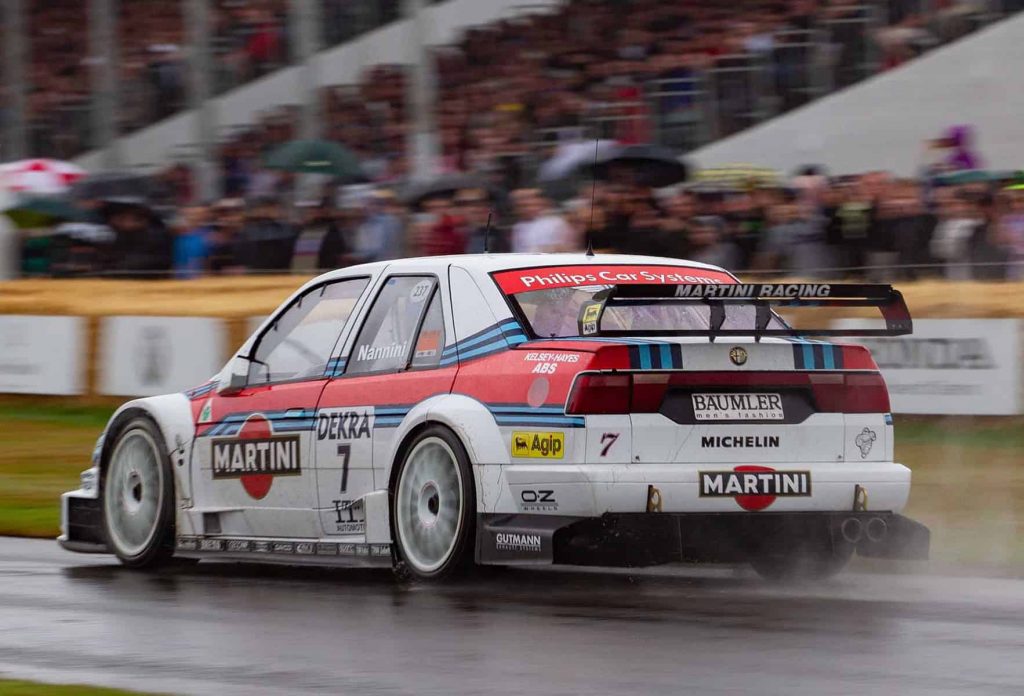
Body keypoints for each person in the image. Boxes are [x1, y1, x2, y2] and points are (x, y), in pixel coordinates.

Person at [172, 203, 212, 279]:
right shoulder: (179, 234)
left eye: (198, 214)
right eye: (191, 214)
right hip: (179, 274)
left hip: (198, 275)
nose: (194, 217)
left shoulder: (207, 235)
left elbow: (207, 259)